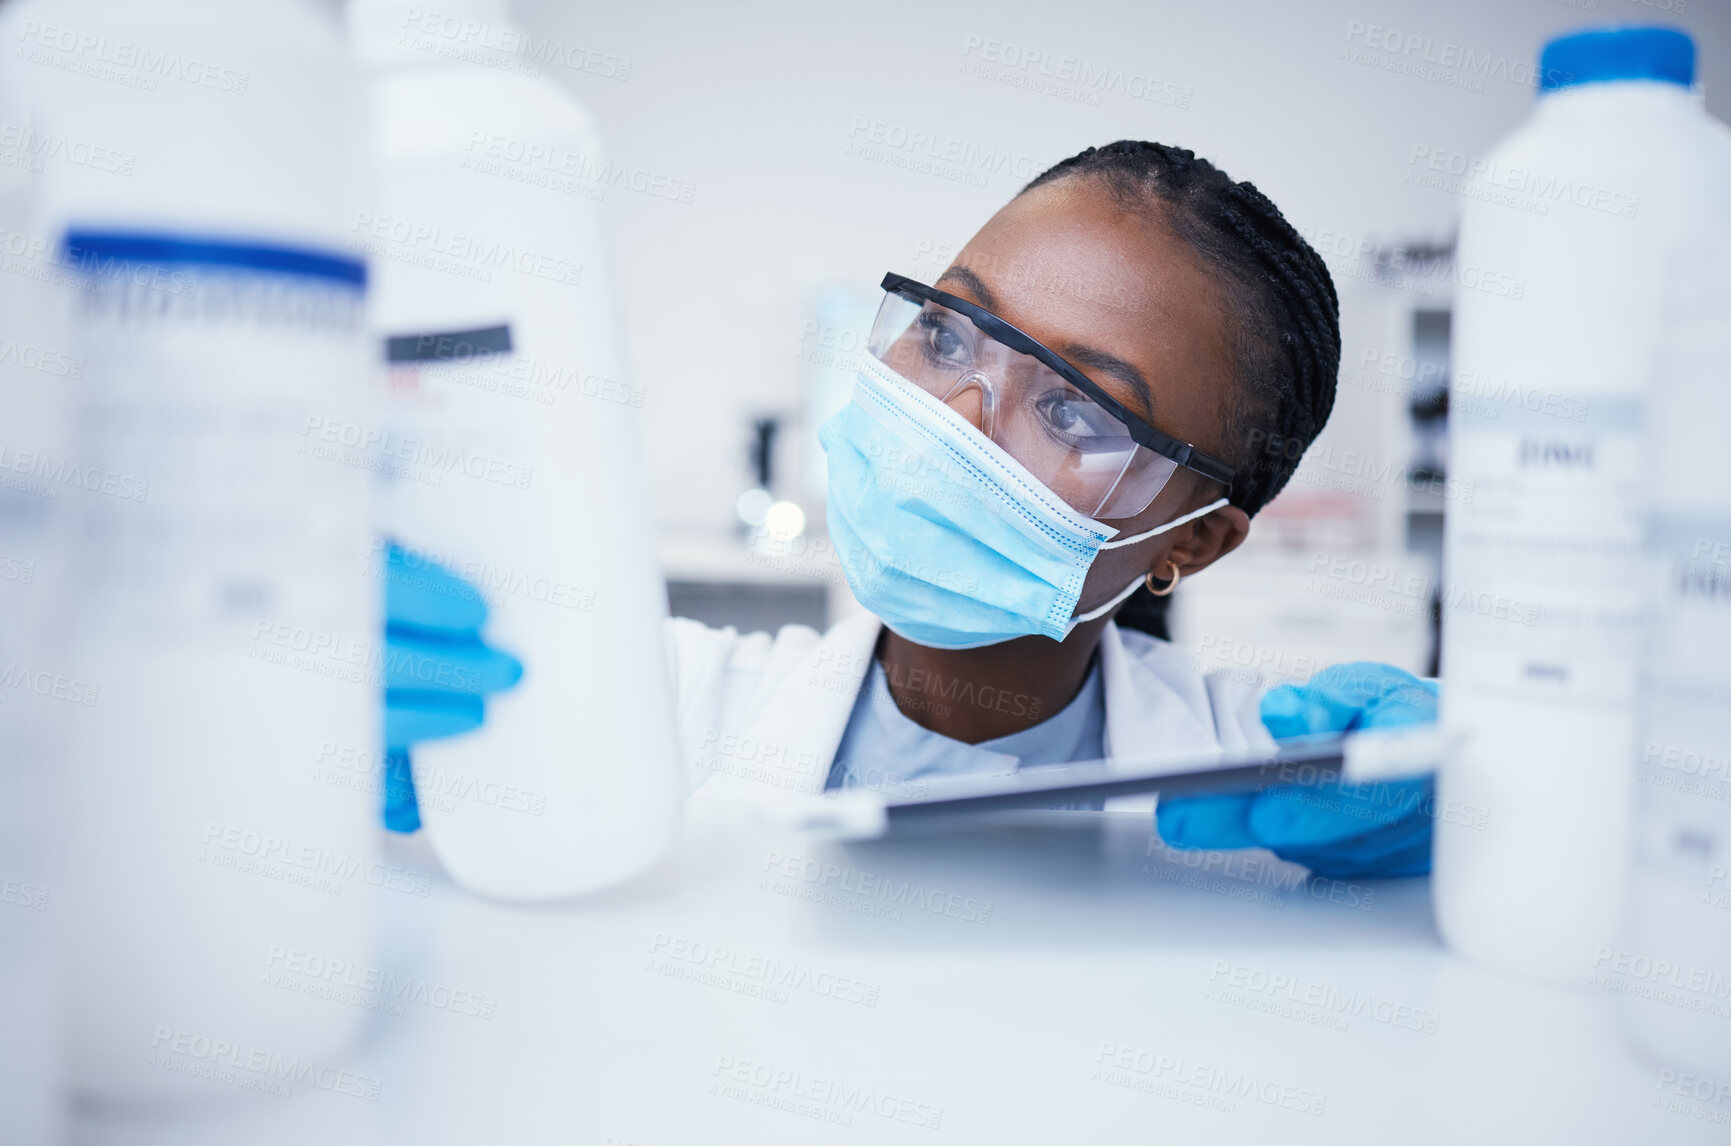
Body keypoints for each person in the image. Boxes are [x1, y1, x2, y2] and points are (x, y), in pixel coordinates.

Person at [381, 140, 1437, 880]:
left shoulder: (1283, 781)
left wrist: (1483, 811)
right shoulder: (646, 708)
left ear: (1195, 540)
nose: (960, 422)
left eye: (1077, 410)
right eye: (945, 335)